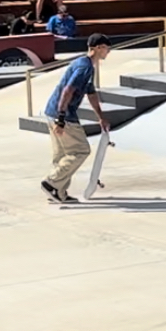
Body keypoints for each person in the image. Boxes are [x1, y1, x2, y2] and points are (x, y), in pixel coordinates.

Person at [41, 33, 112, 205]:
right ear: (97, 48)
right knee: (81, 150)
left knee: (63, 155)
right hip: (62, 114)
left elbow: (91, 93)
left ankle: (58, 192)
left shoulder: (87, 66)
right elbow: (67, 90)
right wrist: (61, 119)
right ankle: (51, 182)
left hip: (52, 111)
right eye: (106, 48)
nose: (108, 52)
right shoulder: (84, 67)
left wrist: (101, 117)